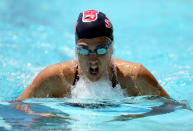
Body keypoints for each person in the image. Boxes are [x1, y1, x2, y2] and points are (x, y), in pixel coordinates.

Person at [18, 9, 169, 100]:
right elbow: (17, 112)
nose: (92, 58)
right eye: (83, 50)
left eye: (101, 49)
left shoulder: (136, 78)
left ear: (112, 49)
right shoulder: (54, 79)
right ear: (76, 50)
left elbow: (173, 110)